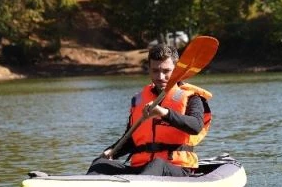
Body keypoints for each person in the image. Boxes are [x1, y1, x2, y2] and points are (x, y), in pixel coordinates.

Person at [87, 44, 212, 177]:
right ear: (149, 70)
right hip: (140, 167)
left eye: (166, 71)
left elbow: (196, 126)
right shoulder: (138, 100)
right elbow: (131, 139)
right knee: (99, 164)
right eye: (155, 71)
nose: (160, 76)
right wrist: (113, 151)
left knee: (157, 164)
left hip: (176, 167)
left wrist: (164, 113)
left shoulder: (192, 98)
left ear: (176, 70)